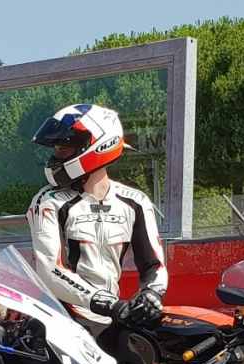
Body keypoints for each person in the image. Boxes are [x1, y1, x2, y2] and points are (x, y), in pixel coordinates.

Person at [26, 104, 168, 338]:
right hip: (60, 318)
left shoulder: (135, 201)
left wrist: (151, 294)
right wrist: (107, 303)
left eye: (67, 145)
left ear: (101, 144)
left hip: (111, 318)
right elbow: (51, 269)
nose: (58, 152)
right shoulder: (49, 201)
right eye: (57, 148)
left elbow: (154, 265)